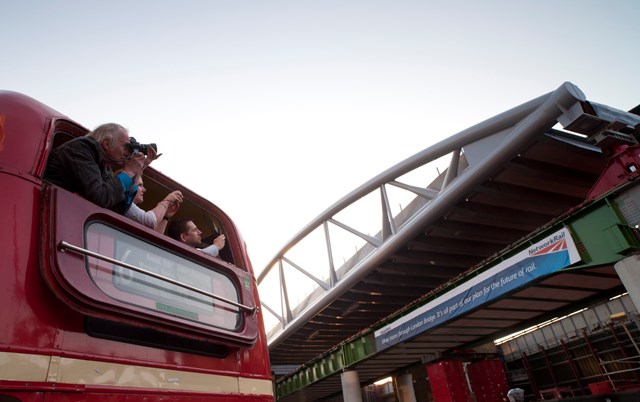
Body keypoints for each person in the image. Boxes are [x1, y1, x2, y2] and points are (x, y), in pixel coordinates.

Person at [44, 123, 154, 214]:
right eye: (125, 147)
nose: (127, 153)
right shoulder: (82, 148)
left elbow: (117, 208)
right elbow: (100, 197)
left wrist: (138, 169)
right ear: (106, 144)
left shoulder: (104, 168)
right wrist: (128, 171)